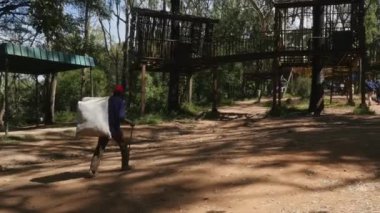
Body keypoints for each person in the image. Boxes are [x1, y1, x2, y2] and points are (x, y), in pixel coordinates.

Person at [89, 85, 135, 177]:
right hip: (115, 129)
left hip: (104, 128)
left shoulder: (107, 100)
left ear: (114, 92)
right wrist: (129, 122)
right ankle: (125, 166)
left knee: (100, 149)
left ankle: (92, 171)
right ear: (121, 93)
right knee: (124, 147)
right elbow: (121, 117)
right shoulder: (121, 102)